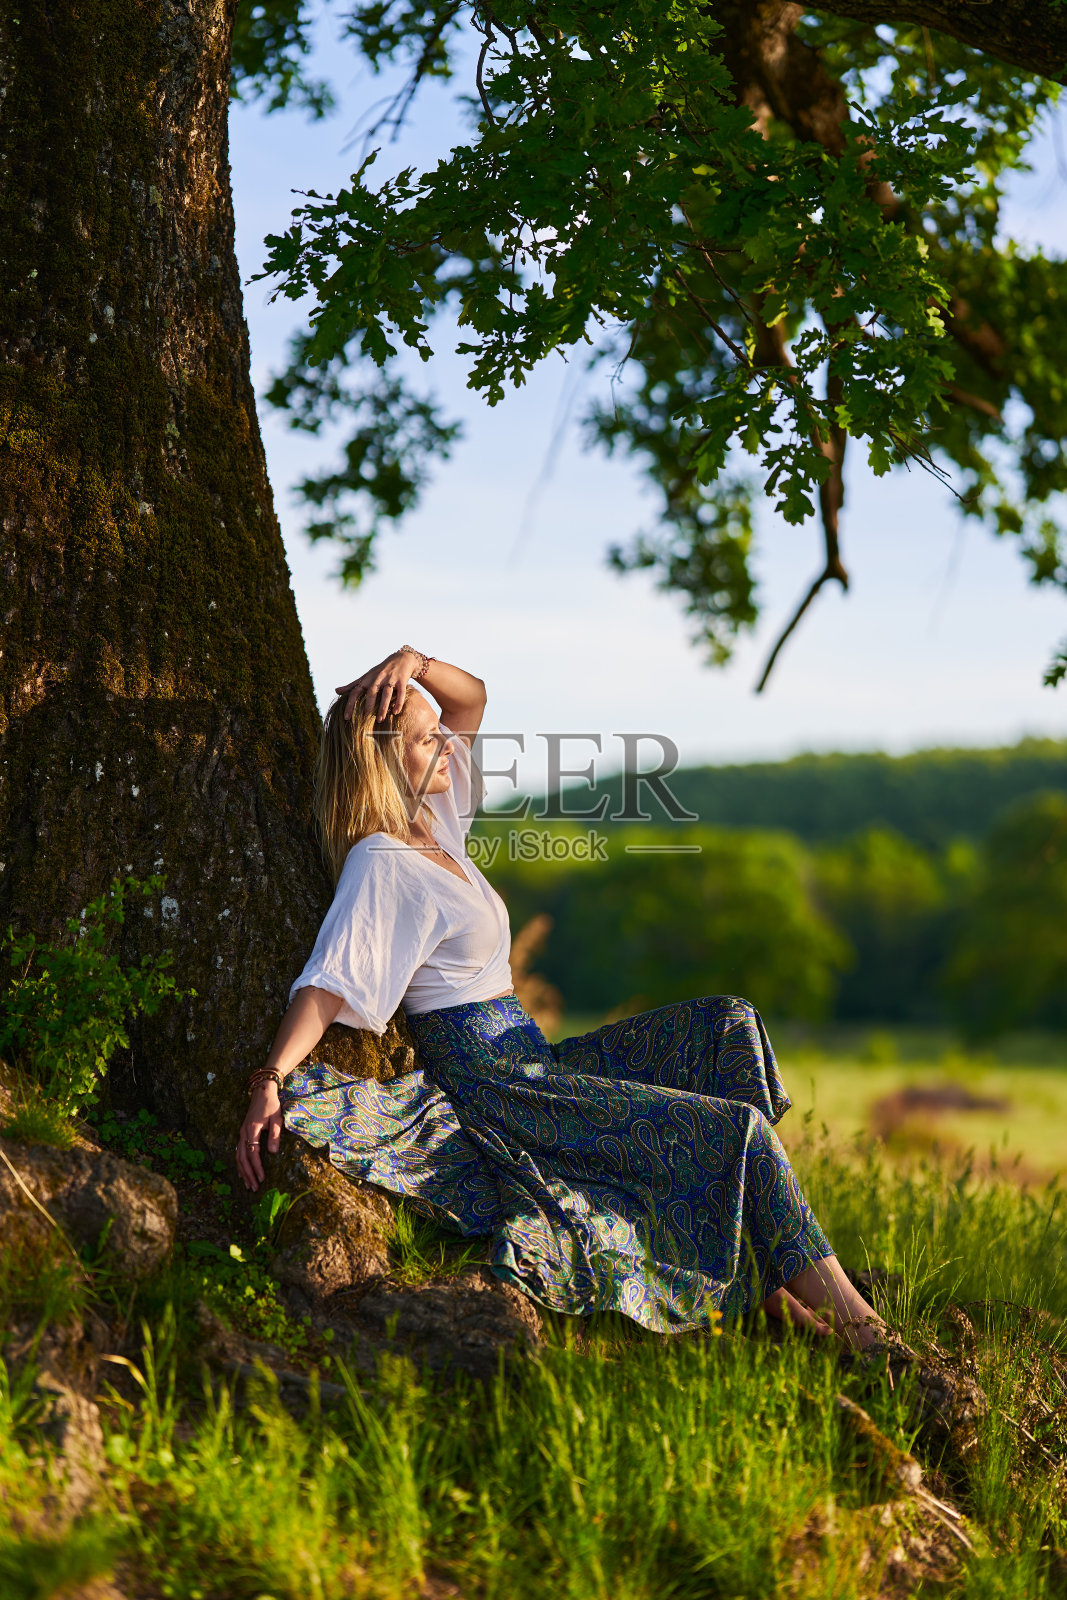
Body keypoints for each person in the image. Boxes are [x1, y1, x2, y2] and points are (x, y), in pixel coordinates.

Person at [236, 648, 889, 1350]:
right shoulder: (380, 859)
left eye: (438, 735)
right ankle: (864, 1332)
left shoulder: (439, 823)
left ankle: (747, 1263)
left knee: (725, 1027)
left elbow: (471, 700)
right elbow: (328, 980)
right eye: (426, 741)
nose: (447, 746)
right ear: (382, 762)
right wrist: (271, 1079)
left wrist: (414, 660)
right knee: (738, 1133)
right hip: (497, 1085)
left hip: (533, 1060)